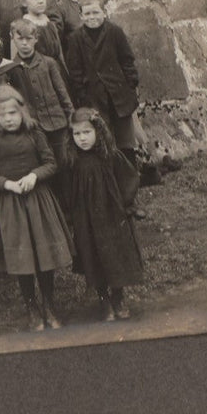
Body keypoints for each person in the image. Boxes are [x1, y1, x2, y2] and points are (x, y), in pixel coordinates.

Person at [0, 86, 74, 332]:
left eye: (13, 113)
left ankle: (49, 305)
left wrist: (34, 176)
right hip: (12, 206)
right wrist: (7, 184)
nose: (9, 118)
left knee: (43, 256)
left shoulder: (34, 132)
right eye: (3, 115)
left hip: (38, 201)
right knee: (23, 259)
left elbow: (51, 163)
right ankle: (31, 308)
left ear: (22, 111)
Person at [64, 108, 145, 322]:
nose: (82, 138)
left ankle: (118, 297)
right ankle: (104, 300)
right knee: (93, 256)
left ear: (98, 131)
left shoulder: (110, 155)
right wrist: (72, 216)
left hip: (111, 215)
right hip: (86, 220)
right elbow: (68, 191)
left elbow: (129, 177)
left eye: (87, 132)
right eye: (77, 134)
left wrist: (125, 204)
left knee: (115, 255)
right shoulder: (73, 162)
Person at [61, 0, 140, 156]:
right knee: (104, 137)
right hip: (94, 97)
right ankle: (110, 177)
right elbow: (75, 71)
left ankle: (130, 177)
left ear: (104, 12)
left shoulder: (115, 32)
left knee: (125, 139)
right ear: (81, 16)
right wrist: (82, 96)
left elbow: (127, 60)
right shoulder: (76, 39)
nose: (92, 17)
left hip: (119, 94)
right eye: (87, 14)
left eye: (96, 13)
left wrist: (130, 85)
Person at [8, 18, 75, 165]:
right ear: (12, 38)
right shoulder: (12, 69)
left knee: (65, 163)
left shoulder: (49, 63)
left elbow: (62, 92)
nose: (24, 43)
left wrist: (71, 116)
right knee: (45, 164)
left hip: (58, 123)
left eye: (29, 38)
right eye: (20, 39)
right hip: (34, 127)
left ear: (36, 39)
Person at [20, 0, 67, 66]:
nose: (41, 1)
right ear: (24, 2)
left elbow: (60, 55)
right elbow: (19, 59)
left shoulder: (50, 24)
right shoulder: (21, 27)